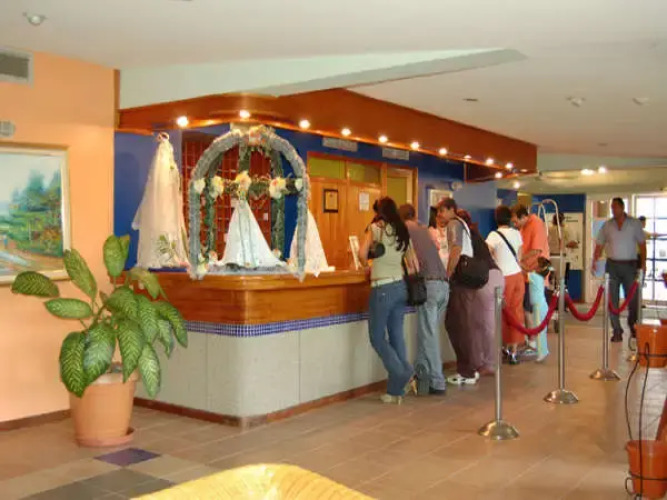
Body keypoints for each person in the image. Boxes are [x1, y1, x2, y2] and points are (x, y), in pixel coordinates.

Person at [437, 198, 503, 385]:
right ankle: (471, 367)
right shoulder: (464, 225)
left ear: (451, 210)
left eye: (441, 210)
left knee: (459, 324)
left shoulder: (454, 224)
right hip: (470, 280)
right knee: (465, 323)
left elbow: (456, 249)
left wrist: (448, 274)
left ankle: (468, 370)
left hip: (461, 280)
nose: (439, 215)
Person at [358, 197, 414, 404]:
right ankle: (395, 390)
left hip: (382, 288)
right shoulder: (403, 231)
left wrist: (368, 265)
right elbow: (412, 262)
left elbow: (361, 254)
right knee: (396, 335)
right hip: (400, 286)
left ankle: (402, 372)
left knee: (377, 337)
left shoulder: (376, 229)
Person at [399, 203, 448, 395]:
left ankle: (437, 381)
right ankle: (422, 376)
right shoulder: (423, 230)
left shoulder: (404, 229)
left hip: (429, 285)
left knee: (428, 335)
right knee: (427, 333)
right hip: (444, 285)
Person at [593, 198, 646, 343]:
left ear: (622, 208)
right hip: (612, 266)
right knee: (612, 300)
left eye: (615, 207)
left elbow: (642, 244)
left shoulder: (634, 224)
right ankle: (616, 330)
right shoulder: (607, 225)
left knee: (633, 299)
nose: (613, 210)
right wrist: (594, 260)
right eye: (612, 208)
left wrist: (643, 263)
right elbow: (599, 244)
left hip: (630, 266)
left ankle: (633, 325)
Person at [511, 204, 550, 363]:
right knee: (527, 309)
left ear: (523, 217)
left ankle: (536, 345)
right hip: (526, 274)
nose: (515, 224)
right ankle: (532, 342)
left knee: (535, 310)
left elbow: (537, 250)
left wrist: (518, 259)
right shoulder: (523, 228)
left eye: (516, 221)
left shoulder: (537, 224)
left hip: (536, 275)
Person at [486, 205, 524, 364]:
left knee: (501, 313)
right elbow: (520, 255)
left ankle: (502, 348)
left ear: (497, 218)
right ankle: (513, 351)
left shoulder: (493, 235)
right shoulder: (516, 233)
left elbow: (487, 254)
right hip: (518, 276)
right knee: (515, 313)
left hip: (503, 278)